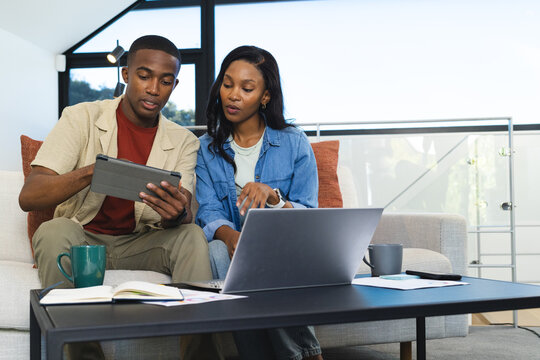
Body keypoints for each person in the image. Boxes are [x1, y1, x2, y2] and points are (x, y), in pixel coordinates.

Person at [19, 35, 222, 360]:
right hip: (83, 239)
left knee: (192, 236)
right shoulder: (81, 117)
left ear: (175, 84)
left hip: (142, 242)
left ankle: (201, 354)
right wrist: (94, 173)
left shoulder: (184, 141)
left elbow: (185, 209)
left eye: (166, 81)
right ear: (126, 74)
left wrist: (176, 213)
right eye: (144, 76)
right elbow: (30, 195)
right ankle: (84, 355)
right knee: (53, 230)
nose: (154, 89)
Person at [195, 45, 323, 360]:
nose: (233, 95)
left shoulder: (293, 142)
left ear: (265, 96)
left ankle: (300, 354)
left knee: (264, 255)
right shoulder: (206, 149)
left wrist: (275, 199)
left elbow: (309, 212)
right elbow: (209, 210)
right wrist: (230, 236)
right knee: (217, 251)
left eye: (246, 88)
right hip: (233, 252)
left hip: (285, 246)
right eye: (227, 84)